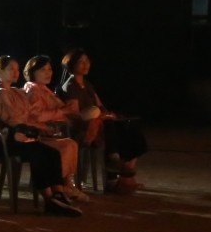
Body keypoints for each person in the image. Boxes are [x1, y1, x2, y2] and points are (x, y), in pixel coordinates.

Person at [0, 52, 81, 216]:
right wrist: (11, 134)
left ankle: (58, 193)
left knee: (50, 152)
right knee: (37, 152)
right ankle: (49, 199)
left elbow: (3, 117)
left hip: (4, 136)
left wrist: (20, 129)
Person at [60, 48, 149, 191]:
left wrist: (108, 114)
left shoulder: (88, 85)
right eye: (81, 62)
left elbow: (100, 105)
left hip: (99, 122)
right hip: (84, 127)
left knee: (131, 130)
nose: (85, 64)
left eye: (87, 61)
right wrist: (102, 116)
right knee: (110, 127)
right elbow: (76, 115)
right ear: (72, 65)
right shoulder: (70, 86)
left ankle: (125, 174)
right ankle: (114, 177)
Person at [8, 56, 86, 197]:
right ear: (33, 72)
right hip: (37, 134)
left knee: (71, 143)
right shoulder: (33, 90)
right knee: (69, 144)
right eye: (43, 70)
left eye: (49, 69)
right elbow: (37, 115)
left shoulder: (44, 89)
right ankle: (62, 186)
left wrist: (67, 110)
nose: (48, 73)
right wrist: (63, 111)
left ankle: (65, 184)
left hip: (49, 131)